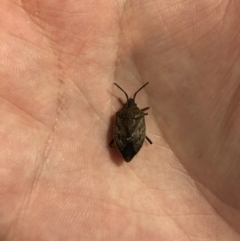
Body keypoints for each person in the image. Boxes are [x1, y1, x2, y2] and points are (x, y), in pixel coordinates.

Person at [1, 0, 239, 240]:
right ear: (135, 110)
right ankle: (131, 144)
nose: (130, 104)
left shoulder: (120, 115)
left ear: (126, 108)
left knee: (125, 140)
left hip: (128, 140)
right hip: (134, 140)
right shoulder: (136, 114)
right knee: (136, 138)